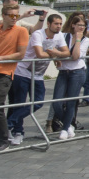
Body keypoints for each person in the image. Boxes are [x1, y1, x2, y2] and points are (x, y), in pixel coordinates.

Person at [8, 13, 68, 145]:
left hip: (38, 74)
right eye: (56, 24)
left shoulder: (59, 36)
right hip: (23, 72)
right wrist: (56, 55)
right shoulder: (38, 34)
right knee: (20, 103)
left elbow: (66, 52)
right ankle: (18, 132)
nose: (58, 26)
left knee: (38, 102)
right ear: (48, 24)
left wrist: (56, 55)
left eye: (60, 24)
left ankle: (9, 122)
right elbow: (40, 54)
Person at [0, 3, 29, 147]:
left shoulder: (21, 30)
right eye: (11, 15)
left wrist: (0, 58)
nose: (14, 18)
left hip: (5, 72)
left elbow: (21, 54)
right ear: (3, 16)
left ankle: (3, 139)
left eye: (16, 15)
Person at [52, 13, 89, 140]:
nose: (81, 28)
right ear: (73, 25)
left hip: (77, 72)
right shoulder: (63, 36)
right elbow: (53, 50)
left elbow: (75, 56)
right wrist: (59, 56)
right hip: (63, 72)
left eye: (83, 26)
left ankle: (64, 129)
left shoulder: (86, 39)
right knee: (56, 102)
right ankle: (68, 125)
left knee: (71, 102)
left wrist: (78, 40)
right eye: (79, 25)